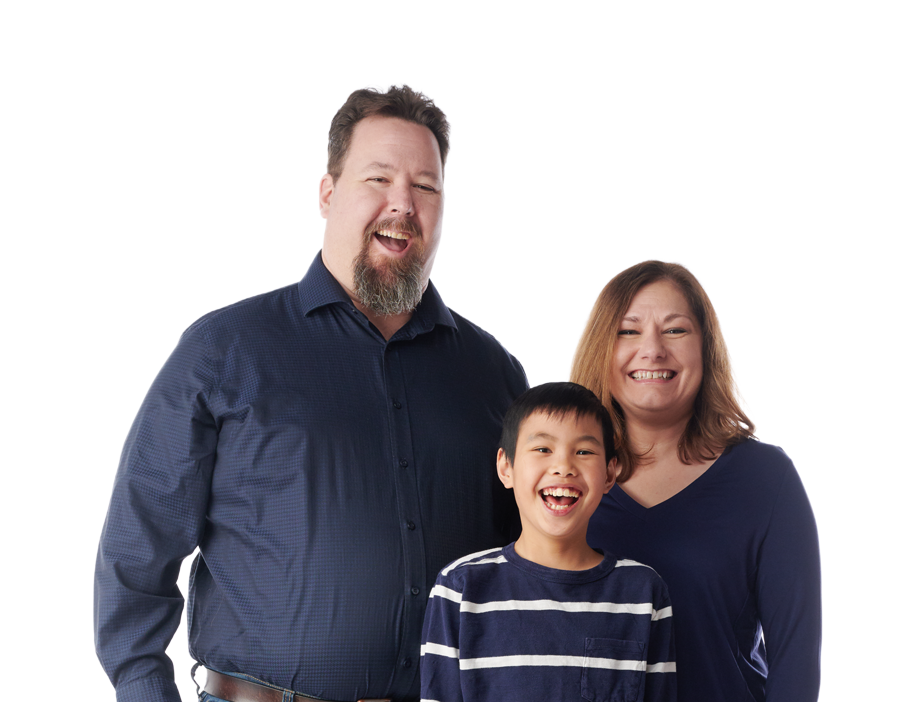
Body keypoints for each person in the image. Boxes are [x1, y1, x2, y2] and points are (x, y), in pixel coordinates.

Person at [92, 84, 528, 702]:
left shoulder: (495, 376)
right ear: (328, 194)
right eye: (378, 178)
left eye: (425, 187)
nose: (402, 203)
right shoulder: (224, 351)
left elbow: (535, 557)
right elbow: (136, 553)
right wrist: (143, 691)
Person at [569, 260, 822, 702]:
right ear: (600, 349)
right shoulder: (561, 481)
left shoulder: (765, 480)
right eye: (628, 331)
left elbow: (795, 665)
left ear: (706, 348)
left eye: (675, 330)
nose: (652, 349)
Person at [421, 382, 677, 702]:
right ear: (506, 467)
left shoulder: (643, 591)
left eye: (583, 451)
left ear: (610, 474)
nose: (563, 467)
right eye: (543, 449)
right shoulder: (459, 587)